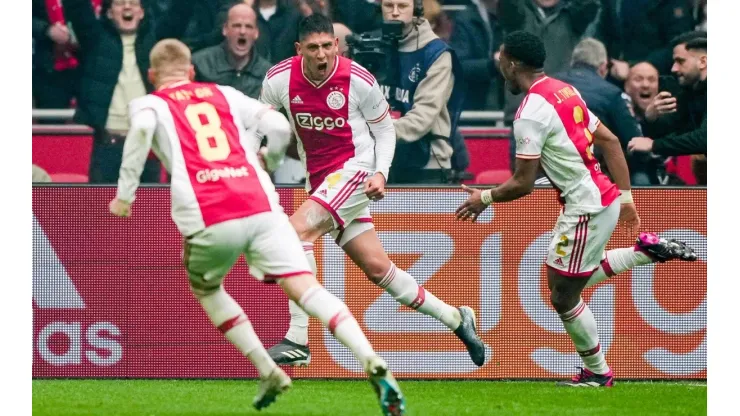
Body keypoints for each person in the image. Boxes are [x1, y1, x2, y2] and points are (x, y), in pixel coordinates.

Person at [108, 39, 406, 414]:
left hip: (210, 212)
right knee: (305, 287)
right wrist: (272, 157)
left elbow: (141, 130)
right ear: (191, 72)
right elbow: (279, 127)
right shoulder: (225, 93)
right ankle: (371, 358)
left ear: (152, 76)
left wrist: (125, 194)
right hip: (261, 202)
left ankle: (269, 371)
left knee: (206, 286)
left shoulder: (149, 103)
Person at [456, 31, 697, 387]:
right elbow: (611, 142)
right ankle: (644, 252)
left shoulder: (529, 113)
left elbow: (522, 183)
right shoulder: (562, 91)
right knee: (568, 283)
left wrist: (484, 198)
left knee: (563, 294)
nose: (499, 68)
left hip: (587, 207)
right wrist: (626, 198)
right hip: (600, 198)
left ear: (512, 63)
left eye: (501, 61)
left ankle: (598, 373)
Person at [259, 14, 485, 368]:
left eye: (327, 46)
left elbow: (385, 131)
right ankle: (457, 319)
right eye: (313, 48)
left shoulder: (357, 79)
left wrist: (381, 172)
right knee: (379, 270)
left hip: (356, 170)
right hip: (318, 180)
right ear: (298, 49)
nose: (322, 55)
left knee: (295, 234)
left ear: (336, 44)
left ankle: (297, 338)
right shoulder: (278, 80)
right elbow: (265, 126)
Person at [192, 2, 272, 99]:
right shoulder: (199, 64)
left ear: (256, 33)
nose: (242, 31)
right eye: (237, 25)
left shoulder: (268, 75)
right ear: (225, 29)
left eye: (248, 26)